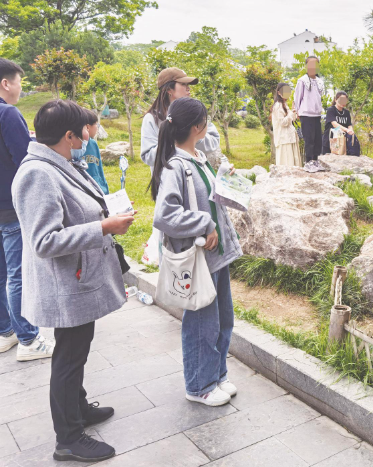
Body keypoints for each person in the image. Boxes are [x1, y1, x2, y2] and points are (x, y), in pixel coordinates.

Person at [12, 100, 137, 462]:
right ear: (69, 136)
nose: (89, 134)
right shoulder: (38, 173)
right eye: (84, 129)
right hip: (66, 282)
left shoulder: (59, 163)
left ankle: (79, 409)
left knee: (77, 350)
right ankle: (68, 437)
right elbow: (43, 241)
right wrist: (102, 227)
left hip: (76, 279)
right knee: (68, 358)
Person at [150, 97, 243, 407]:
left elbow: (209, 197)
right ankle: (198, 385)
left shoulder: (197, 158)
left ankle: (216, 375)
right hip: (199, 257)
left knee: (222, 320)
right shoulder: (176, 166)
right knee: (202, 323)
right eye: (206, 121)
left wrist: (226, 179)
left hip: (216, 257)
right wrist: (204, 223)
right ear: (197, 127)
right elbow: (164, 216)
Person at [0, 58, 53, 361]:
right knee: (18, 275)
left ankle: (5, 331)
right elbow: (26, 161)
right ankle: (29, 339)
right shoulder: (8, 113)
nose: (21, 88)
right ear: (6, 83)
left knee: (1, 275)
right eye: (19, 82)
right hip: (11, 208)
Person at [140, 67, 221, 267]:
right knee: (174, 227)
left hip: (197, 180)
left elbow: (213, 140)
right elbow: (147, 155)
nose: (188, 89)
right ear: (169, 89)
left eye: (189, 85)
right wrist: (175, 141)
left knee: (201, 231)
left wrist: (190, 134)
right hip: (172, 182)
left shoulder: (195, 111)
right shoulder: (152, 119)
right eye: (183, 84)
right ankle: (175, 270)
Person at [294, 56, 325, 165]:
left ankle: (316, 161)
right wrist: (297, 111)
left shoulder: (320, 81)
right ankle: (308, 162)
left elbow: (319, 97)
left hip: (316, 115)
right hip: (306, 114)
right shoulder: (302, 81)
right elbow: (298, 97)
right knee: (309, 140)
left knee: (318, 140)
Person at [78, 110, 109, 194]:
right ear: (88, 127)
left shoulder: (93, 143)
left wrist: (105, 190)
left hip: (99, 190)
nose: (97, 127)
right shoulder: (76, 147)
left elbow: (99, 170)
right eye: (96, 124)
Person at [271, 83, 301, 167]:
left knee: (293, 163)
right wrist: (291, 113)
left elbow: (291, 120)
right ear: (279, 93)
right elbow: (283, 123)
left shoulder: (284, 104)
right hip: (284, 139)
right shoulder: (278, 106)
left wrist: (293, 111)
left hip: (290, 138)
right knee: (287, 163)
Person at [322, 91, 360, 156]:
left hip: (342, 140)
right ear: (335, 100)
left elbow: (349, 125)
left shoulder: (346, 112)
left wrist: (350, 130)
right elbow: (334, 124)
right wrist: (347, 130)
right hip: (331, 139)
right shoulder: (331, 110)